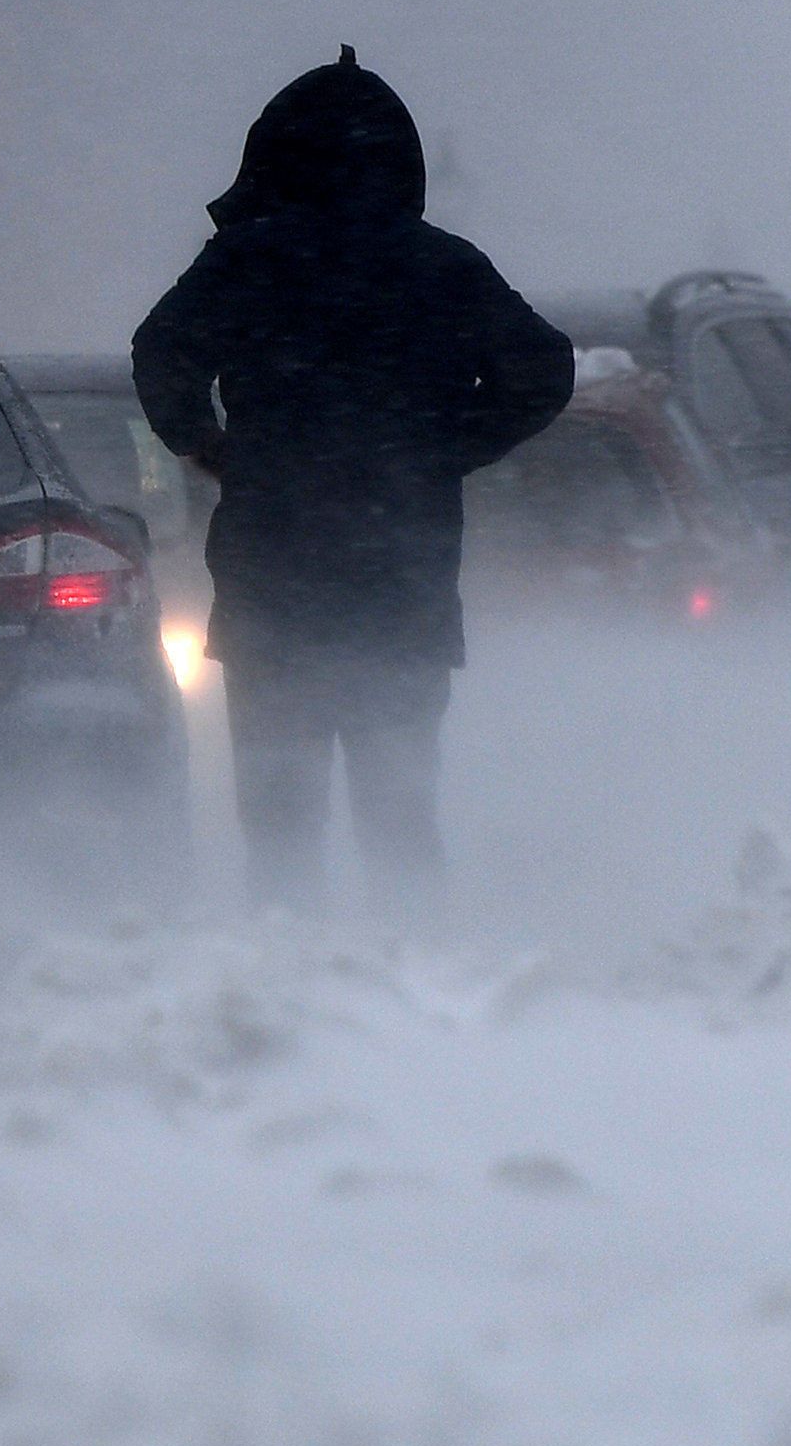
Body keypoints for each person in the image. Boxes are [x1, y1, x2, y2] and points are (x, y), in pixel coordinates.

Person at [133, 48, 572, 919]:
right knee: (400, 811)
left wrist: (204, 441)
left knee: (279, 816)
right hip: (399, 584)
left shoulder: (247, 262)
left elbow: (161, 351)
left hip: (271, 579)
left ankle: (286, 975)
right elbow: (542, 367)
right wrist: (450, 444)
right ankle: (412, 975)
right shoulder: (442, 266)